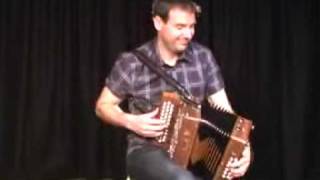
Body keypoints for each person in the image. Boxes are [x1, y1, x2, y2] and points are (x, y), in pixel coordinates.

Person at [95, 0, 251, 179]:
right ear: (158, 23)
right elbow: (102, 106)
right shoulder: (132, 62)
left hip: (193, 152)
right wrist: (129, 121)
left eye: (192, 26)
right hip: (146, 151)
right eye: (180, 27)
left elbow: (226, 112)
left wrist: (242, 147)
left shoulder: (203, 57)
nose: (188, 34)